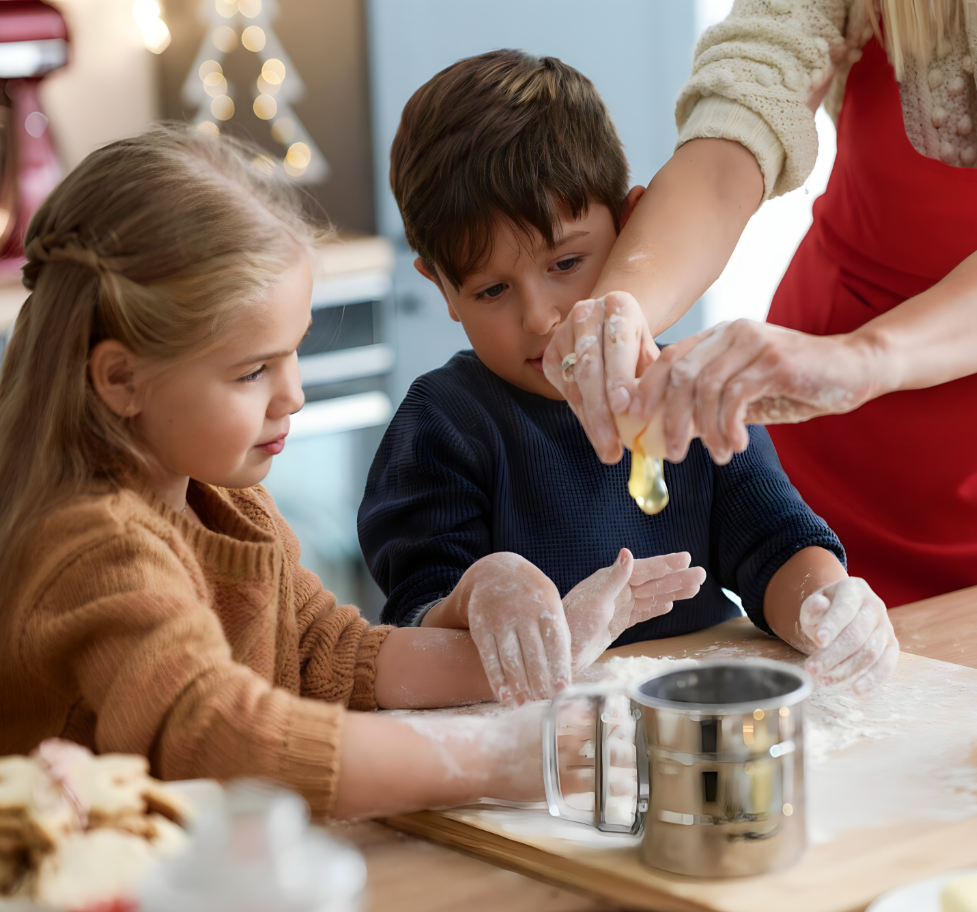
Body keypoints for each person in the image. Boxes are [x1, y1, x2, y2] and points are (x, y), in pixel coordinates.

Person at [0, 125, 643, 820]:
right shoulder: (93, 548)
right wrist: (489, 757)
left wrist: (539, 654)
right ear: (121, 378)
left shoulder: (223, 500)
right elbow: (215, 733)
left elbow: (324, 655)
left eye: (292, 353)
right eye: (252, 370)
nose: (293, 394)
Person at [358, 50, 898, 692]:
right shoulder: (442, 424)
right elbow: (415, 625)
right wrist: (480, 589)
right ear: (442, 288)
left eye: (565, 264)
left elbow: (777, 547)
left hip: (696, 717)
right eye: (492, 291)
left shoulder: (690, 391)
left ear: (633, 225)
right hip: (535, 757)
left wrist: (827, 607)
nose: (540, 317)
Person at [543, 0, 977, 609]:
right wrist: (622, 305)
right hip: (830, 427)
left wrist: (860, 360)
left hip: (873, 378)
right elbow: (745, 105)